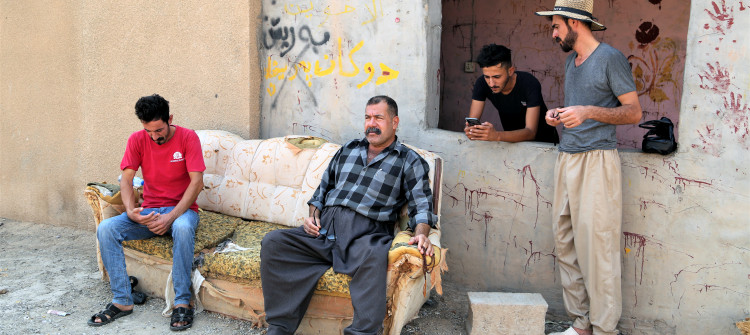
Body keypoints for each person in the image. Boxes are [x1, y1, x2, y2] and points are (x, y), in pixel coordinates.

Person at [260, 95, 437, 335]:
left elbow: (422, 205)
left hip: (366, 234)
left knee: (375, 255)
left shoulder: (408, 160)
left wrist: (422, 234)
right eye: (367, 117)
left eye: (378, 118)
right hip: (324, 232)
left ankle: (362, 333)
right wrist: (313, 216)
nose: (371, 123)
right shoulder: (348, 149)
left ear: (394, 122)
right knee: (275, 243)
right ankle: (280, 326)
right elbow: (321, 193)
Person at [535, 1, 643, 335]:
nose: (553, 33)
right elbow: (578, 109)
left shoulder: (609, 58)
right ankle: (581, 324)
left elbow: (633, 113)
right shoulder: (571, 61)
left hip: (597, 160)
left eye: (556, 26)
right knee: (565, 240)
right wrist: (560, 114)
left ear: (575, 23)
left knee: (598, 249)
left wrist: (587, 112)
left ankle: (605, 329)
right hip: (567, 156)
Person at [88, 94, 205, 331]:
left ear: (170, 119)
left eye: (159, 130)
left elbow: (197, 183)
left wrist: (170, 217)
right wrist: (132, 212)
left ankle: (182, 301)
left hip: (181, 212)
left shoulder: (188, 137)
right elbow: (127, 179)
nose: (154, 137)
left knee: (182, 228)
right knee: (106, 228)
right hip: (149, 212)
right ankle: (122, 301)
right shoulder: (137, 140)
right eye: (148, 131)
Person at [464, 43, 558, 143]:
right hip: (511, 143)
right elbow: (472, 121)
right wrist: (472, 131)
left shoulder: (529, 83)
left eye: (497, 77)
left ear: (510, 71)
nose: (491, 83)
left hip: (545, 144)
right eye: (487, 77)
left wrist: (496, 136)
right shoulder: (482, 83)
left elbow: (531, 132)